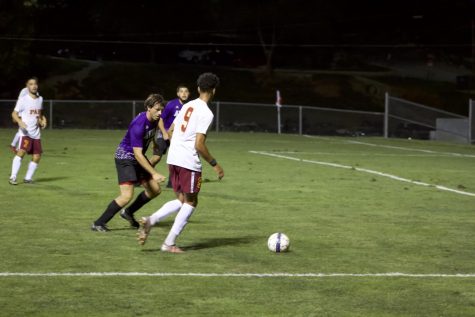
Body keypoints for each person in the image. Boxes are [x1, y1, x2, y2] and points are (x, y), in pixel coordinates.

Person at [137, 73, 224, 253]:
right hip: (188, 160)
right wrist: (215, 164)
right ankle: (169, 243)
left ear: (199, 89)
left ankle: (151, 220)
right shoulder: (206, 113)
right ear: (213, 91)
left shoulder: (187, 106)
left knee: (182, 199)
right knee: (191, 202)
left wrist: (173, 146)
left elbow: (171, 129)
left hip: (174, 157)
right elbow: (199, 144)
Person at [91, 94, 167, 232]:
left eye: (162, 109)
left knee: (155, 190)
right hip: (125, 157)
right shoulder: (139, 124)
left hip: (137, 157)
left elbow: (156, 127)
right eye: (157, 109)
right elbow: (137, 154)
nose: (160, 113)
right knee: (126, 195)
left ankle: (128, 212)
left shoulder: (155, 117)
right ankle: (98, 223)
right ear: (149, 108)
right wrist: (154, 173)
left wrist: (155, 142)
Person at [9, 77, 47, 185]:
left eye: (35, 84)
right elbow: (14, 114)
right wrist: (19, 122)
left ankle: (27, 178)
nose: (34, 86)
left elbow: (39, 114)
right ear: (27, 86)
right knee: (21, 152)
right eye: (31, 84)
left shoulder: (40, 99)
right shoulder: (23, 99)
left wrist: (43, 120)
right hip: (25, 132)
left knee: (37, 156)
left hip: (36, 133)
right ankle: (13, 177)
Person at [152, 84, 190, 188]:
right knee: (156, 157)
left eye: (186, 91)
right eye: (181, 91)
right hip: (165, 134)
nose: (184, 93)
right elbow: (160, 119)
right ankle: (141, 176)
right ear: (178, 94)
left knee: (176, 159)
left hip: (178, 137)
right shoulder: (171, 104)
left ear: (189, 94)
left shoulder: (190, 107)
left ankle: (171, 183)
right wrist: (164, 133)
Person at [10, 87, 36, 154]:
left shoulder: (35, 92)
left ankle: (15, 145)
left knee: (24, 130)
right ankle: (19, 147)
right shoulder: (24, 91)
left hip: (30, 114)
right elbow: (20, 101)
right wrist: (17, 113)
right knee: (23, 130)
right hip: (23, 113)